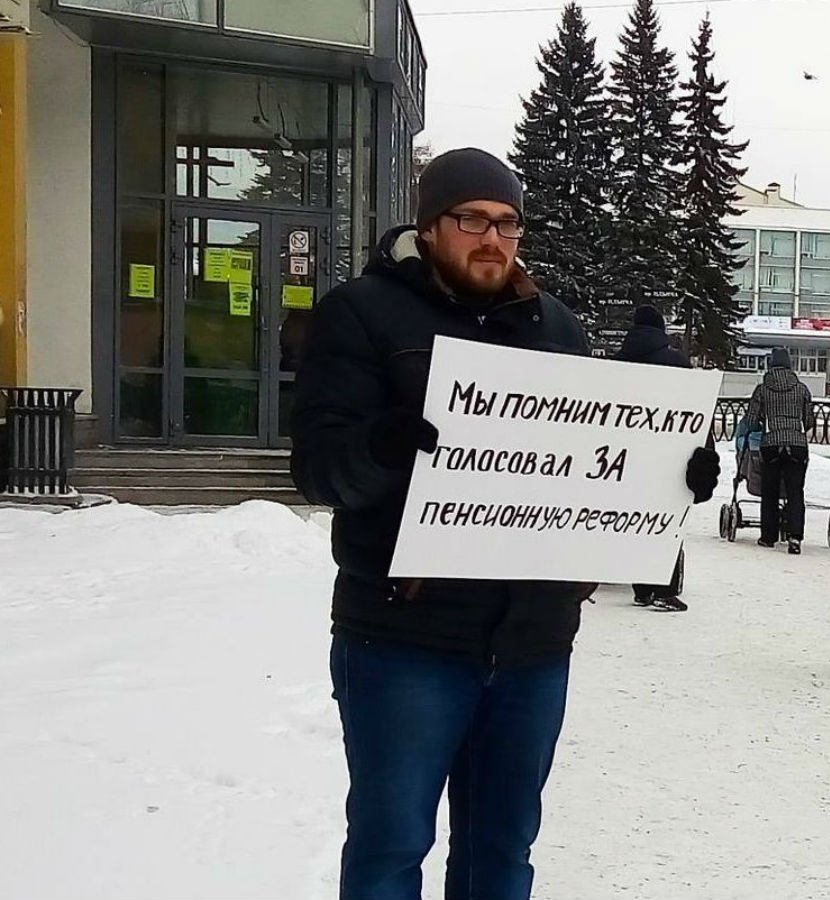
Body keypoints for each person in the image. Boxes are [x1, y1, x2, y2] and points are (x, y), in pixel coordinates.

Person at [290, 147, 722, 900]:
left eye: (508, 224)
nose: (493, 239)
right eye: (472, 220)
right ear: (429, 227)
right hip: (406, 637)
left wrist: (672, 477)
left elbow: (594, 462)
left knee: (502, 850)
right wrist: (383, 445)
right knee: (391, 848)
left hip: (531, 644)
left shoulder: (556, 327)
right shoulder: (361, 314)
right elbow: (320, 469)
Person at [615, 304, 703, 612]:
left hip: (623, 453)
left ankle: (637, 584)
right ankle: (661, 588)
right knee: (664, 518)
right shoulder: (675, 361)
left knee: (628, 515)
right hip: (667, 453)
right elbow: (693, 410)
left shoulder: (618, 362)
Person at [745, 348, 815, 554]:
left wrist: (763, 423)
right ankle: (795, 537)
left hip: (771, 444)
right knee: (795, 491)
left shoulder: (762, 389)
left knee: (770, 491)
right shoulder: (802, 389)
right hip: (797, 445)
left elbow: (751, 420)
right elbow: (809, 420)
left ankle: (768, 536)